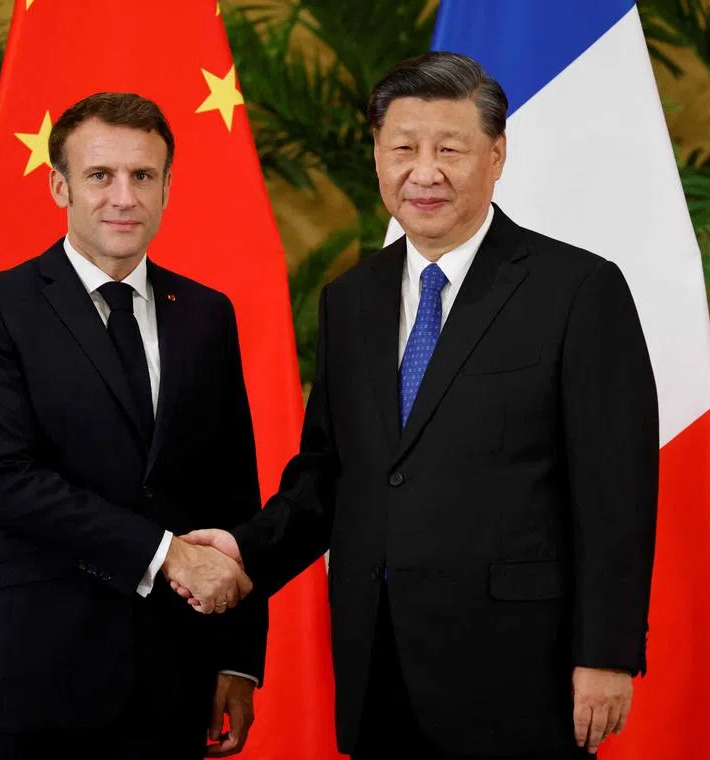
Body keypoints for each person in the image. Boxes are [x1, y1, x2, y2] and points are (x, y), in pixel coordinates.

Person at [179, 53, 659, 759]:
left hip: (521, 670)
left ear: (496, 156)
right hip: (380, 660)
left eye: (450, 149)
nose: (423, 171)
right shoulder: (351, 300)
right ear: (377, 155)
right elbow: (330, 475)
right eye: (402, 147)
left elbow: (615, 491)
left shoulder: (578, 290)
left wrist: (608, 653)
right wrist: (248, 547)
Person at [0, 92, 266, 760]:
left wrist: (237, 659)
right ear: (60, 185)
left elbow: (233, 496)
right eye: (100, 176)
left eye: (143, 176)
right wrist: (165, 553)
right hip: (30, 680)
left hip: (171, 682)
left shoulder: (206, 315)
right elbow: (5, 483)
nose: (124, 196)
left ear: (169, 187)